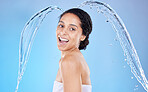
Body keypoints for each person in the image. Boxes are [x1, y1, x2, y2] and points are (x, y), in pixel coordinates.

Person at [52, 8, 92, 92]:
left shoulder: (70, 60)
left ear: (83, 36)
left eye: (72, 29)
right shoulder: (75, 57)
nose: (63, 32)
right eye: (61, 25)